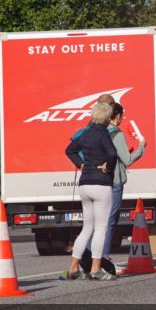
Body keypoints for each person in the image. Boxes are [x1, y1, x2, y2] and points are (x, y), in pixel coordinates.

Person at [63, 101, 118, 281]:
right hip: (101, 184)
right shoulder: (103, 134)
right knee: (101, 228)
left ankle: (73, 269)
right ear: (109, 118)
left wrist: (81, 164)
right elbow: (112, 154)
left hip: (84, 183)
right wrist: (107, 168)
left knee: (87, 228)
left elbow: (69, 150)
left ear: (93, 115)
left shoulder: (85, 134)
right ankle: (95, 269)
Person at [97, 102, 146, 260]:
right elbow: (127, 159)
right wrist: (141, 148)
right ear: (117, 116)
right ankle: (103, 256)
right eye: (121, 116)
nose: (122, 119)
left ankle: (93, 256)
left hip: (100, 181)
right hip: (115, 181)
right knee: (110, 220)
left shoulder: (100, 132)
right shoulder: (117, 134)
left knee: (98, 221)